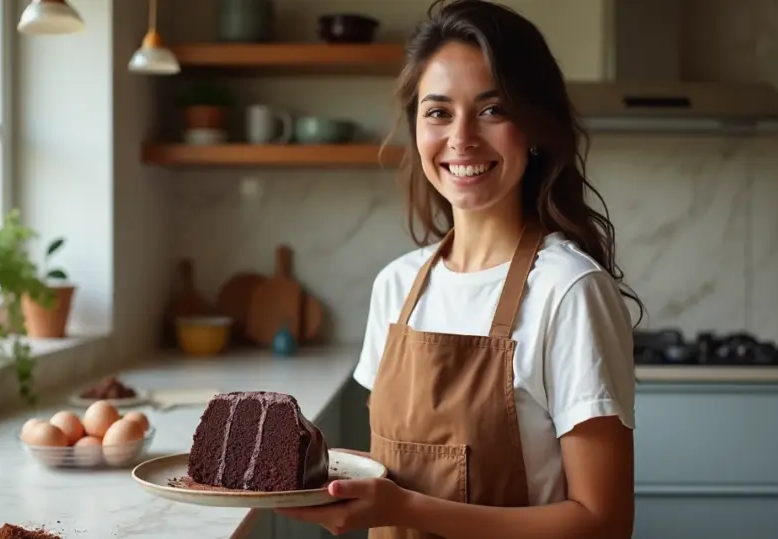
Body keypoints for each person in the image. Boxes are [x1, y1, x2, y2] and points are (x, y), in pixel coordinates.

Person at [275, 1, 642, 538]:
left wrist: (402, 509)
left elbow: (603, 522)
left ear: (535, 128)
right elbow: (400, 470)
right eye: (438, 112)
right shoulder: (397, 286)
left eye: (492, 110)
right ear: (417, 129)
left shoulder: (569, 290)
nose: (462, 137)